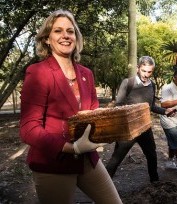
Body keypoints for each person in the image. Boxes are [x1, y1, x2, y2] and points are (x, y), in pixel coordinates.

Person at [19, 10, 122, 204]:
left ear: (76, 37)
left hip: (87, 159)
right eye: (58, 31)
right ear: (47, 39)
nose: (65, 35)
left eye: (70, 31)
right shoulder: (38, 72)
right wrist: (72, 147)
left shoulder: (86, 74)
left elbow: (91, 113)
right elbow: (28, 129)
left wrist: (106, 124)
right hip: (53, 163)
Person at [105, 56, 174, 183]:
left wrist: (165, 111)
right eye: (144, 71)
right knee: (115, 160)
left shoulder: (152, 85)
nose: (146, 75)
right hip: (128, 130)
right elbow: (118, 106)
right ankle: (102, 191)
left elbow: (151, 106)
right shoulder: (128, 83)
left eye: (149, 72)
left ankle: (155, 184)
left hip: (145, 129)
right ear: (138, 68)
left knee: (152, 156)